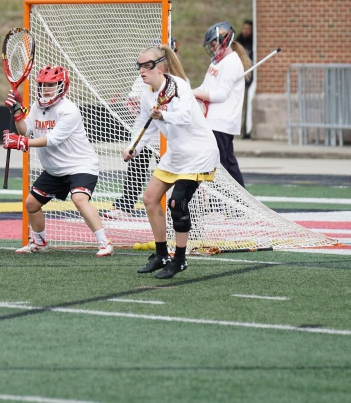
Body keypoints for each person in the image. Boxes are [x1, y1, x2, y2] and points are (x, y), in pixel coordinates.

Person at [125, 46, 220, 279]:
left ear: (161, 67)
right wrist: (132, 147)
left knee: (177, 203)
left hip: (198, 153)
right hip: (176, 154)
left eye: (146, 66)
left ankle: (179, 259)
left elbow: (185, 117)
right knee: (149, 198)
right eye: (139, 66)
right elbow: (144, 125)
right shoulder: (148, 93)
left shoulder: (179, 87)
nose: (142, 71)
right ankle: (161, 255)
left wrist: (163, 115)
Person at [3, 65, 113, 257]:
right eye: (42, 84)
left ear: (62, 85)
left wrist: (22, 143)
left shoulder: (68, 110)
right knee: (31, 204)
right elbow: (24, 130)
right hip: (55, 170)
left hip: (80, 165)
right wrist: (18, 111)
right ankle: (39, 242)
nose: (46, 88)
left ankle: (105, 242)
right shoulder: (37, 107)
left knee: (79, 199)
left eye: (51, 84)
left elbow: (53, 140)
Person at [102, 37, 179, 220]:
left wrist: (162, 113)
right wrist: (132, 103)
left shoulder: (178, 82)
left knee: (172, 172)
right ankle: (125, 205)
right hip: (146, 131)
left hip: (168, 134)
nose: (144, 69)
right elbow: (136, 103)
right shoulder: (142, 78)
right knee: (136, 167)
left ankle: (175, 205)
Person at [193, 21, 252, 187]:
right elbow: (206, 87)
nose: (211, 48)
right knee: (223, 164)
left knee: (224, 166)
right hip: (212, 120)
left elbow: (221, 94)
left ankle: (236, 204)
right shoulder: (216, 61)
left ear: (224, 40)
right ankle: (232, 205)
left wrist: (194, 93)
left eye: (213, 44)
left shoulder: (232, 62)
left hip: (222, 122)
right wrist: (188, 93)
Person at [238, 20, 254, 139]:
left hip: (249, 81)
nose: (245, 31)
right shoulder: (239, 42)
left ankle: (245, 131)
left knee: (246, 107)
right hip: (239, 80)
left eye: (248, 29)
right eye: (244, 28)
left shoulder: (253, 43)